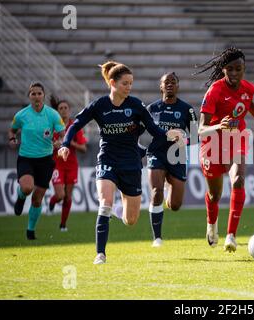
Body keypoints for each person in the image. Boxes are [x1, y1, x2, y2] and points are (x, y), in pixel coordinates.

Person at [58, 61, 183, 264]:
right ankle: (100, 253)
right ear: (112, 83)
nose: (129, 87)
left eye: (131, 83)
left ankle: (120, 210)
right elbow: (76, 124)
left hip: (131, 164)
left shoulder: (136, 105)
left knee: (130, 220)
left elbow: (154, 130)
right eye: (125, 83)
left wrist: (169, 135)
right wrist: (65, 144)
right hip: (107, 159)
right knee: (105, 203)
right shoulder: (100, 105)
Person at [194, 47, 254, 252]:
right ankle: (212, 224)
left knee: (238, 179)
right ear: (223, 70)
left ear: (244, 68)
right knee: (215, 195)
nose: (234, 73)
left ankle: (231, 235)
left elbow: (250, 105)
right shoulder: (215, 91)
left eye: (238, 69)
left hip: (236, 139)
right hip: (212, 143)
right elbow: (201, 129)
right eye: (230, 69)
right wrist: (218, 126)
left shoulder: (248, 88)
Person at [142, 72, 198, 247]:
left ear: (178, 86)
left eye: (173, 82)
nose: (169, 85)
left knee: (175, 205)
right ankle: (157, 238)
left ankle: (169, 193)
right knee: (156, 192)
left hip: (178, 156)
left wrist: (183, 140)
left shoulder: (187, 109)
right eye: (166, 82)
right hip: (156, 154)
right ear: (161, 86)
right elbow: (137, 130)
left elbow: (196, 137)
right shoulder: (151, 109)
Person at [8, 82, 65, 240]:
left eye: (39, 93)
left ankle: (30, 230)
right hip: (26, 158)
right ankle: (20, 196)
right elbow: (12, 130)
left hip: (45, 160)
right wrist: (12, 138)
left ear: (44, 96)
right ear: (29, 96)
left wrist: (60, 142)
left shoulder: (52, 114)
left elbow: (62, 133)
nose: (36, 96)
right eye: (33, 94)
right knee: (27, 188)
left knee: (37, 198)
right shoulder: (22, 115)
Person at [49, 96, 88, 232]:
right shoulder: (52, 126)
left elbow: (84, 148)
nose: (64, 110)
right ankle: (52, 202)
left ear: (69, 110)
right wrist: (54, 146)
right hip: (57, 164)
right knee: (60, 195)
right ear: (57, 111)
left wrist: (68, 143)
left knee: (68, 196)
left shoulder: (74, 127)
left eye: (66, 108)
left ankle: (63, 224)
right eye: (61, 108)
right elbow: (45, 144)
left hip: (71, 165)